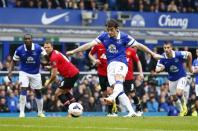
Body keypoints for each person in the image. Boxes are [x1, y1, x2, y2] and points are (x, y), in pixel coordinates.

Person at [67, 19, 162, 117]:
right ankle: (131, 111)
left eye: (111, 30)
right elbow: (89, 45)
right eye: (108, 30)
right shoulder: (104, 36)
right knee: (118, 89)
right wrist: (74, 51)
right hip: (110, 66)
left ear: (117, 29)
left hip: (121, 63)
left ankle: (112, 97)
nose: (109, 32)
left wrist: (153, 54)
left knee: (118, 81)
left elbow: (139, 45)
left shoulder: (124, 37)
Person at [8, 34, 46, 117]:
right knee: (23, 88)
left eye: (29, 39)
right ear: (23, 40)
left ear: (32, 39)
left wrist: (46, 63)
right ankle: (22, 112)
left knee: (38, 91)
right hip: (24, 72)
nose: (27, 40)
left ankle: (40, 112)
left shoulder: (38, 48)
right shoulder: (19, 50)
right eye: (26, 39)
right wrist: (10, 72)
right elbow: (13, 61)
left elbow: (46, 57)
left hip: (36, 73)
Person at [155, 41, 193, 116]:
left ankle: (184, 106)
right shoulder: (162, 57)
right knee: (174, 98)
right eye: (165, 48)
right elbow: (156, 70)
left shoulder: (178, 54)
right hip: (171, 79)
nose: (166, 49)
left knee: (179, 93)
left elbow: (190, 54)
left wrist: (190, 67)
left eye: (168, 47)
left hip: (181, 76)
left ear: (171, 48)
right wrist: (161, 68)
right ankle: (181, 110)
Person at [43, 41, 79, 111]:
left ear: (52, 47)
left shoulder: (53, 56)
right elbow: (59, 63)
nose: (46, 49)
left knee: (58, 93)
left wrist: (48, 83)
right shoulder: (55, 52)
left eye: (48, 47)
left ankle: (71, 111)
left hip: (70, 75)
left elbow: (54, 75)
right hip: (74, 73)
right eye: (45, 47)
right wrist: (50, 67)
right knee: (65, 92)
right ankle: (76, 109)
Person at [89, 43, 117, 116]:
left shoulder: (113, 45)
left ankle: (111, 112)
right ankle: (112, 107)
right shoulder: (98, 46)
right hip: (101, 73)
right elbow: (90, 54)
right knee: (104, 93)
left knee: (109, 91)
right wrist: (95, 60)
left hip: (111, 73)